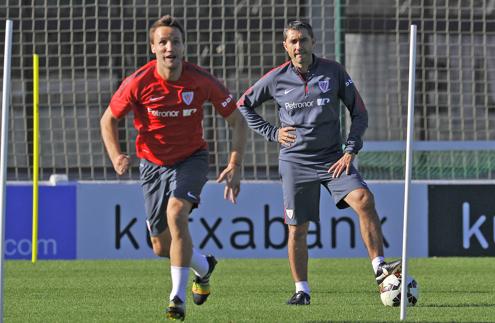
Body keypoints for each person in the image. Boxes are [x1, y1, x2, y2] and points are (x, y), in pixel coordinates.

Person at [237, 20, 400, 305]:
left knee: (364, 198)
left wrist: (350, 149)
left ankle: (379, 268)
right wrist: (272, 132)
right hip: (295, 161)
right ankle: (302, 290)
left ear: (313, 42)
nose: (299, 46)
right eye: (293, 42)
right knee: (297, 229)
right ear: (285, 46)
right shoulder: (276, 78)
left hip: (333, 158)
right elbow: (243, 104)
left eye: (303, 40)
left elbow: (359, 113)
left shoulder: (333, 71)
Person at [100, 15, 247, 320]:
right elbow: (108, 120)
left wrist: (235, 164)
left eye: (175, 41)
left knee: (176, 212)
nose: (170, 47)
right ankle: (204, 266)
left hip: (192, 159)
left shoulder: (201, 80)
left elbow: (237, 120)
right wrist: (116, 155)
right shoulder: (138, 82)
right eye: (163, 42)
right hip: (152, 164)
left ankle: (176, 298)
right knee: (159, 246)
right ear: (153, 47)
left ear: (183, 47)